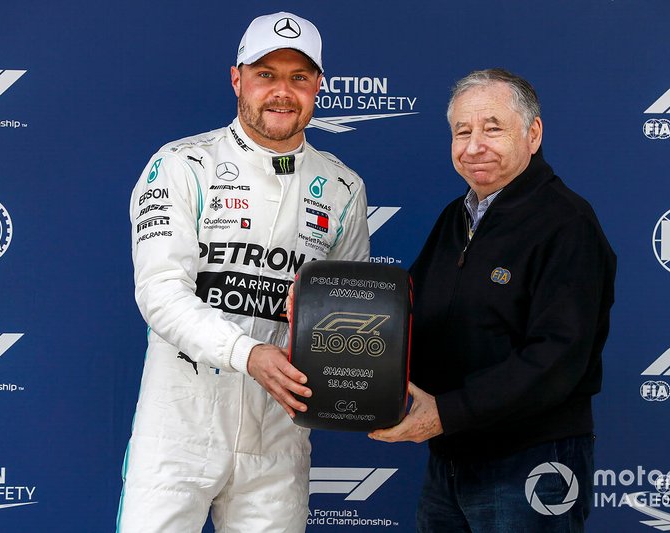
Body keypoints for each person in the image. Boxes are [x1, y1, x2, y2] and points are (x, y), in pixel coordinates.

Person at [117, 12, 370, 532]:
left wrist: (354, 364)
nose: (282, 92)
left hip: (278, 436)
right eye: (266, 74)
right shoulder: (182, 165)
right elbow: (162, 293)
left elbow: (350, 313)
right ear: (238, 79)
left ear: (318, 86)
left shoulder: (344, 188)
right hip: (179, 430)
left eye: (299, 77)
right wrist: (247, 354)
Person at [369, 69, 616, 532]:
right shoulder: (455, 217)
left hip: (531, 462)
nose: (474, 144)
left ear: (533, 134)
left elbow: (556, 358)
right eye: (462, 131)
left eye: (492, 127)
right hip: (451, 460)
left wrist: (446, 413)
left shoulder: (568, 223)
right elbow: (410, 313)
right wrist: (325, 326)